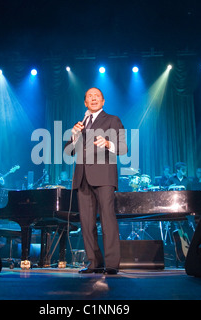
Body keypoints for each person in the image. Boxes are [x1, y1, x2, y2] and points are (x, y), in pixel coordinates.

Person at [64, 87, 128, 274]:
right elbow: (69, 151)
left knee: (107, 220)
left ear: (103, 101)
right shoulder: (80, 124)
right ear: (85, 102)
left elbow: (123, 148)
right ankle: (94, 262)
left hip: (104, 176)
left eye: (97, 96)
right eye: (89, 96)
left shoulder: (112, 119)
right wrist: (74, 135)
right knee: (86, 222)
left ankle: (112, 264)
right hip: (82, 177)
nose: (93, 98)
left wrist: (108, 143)